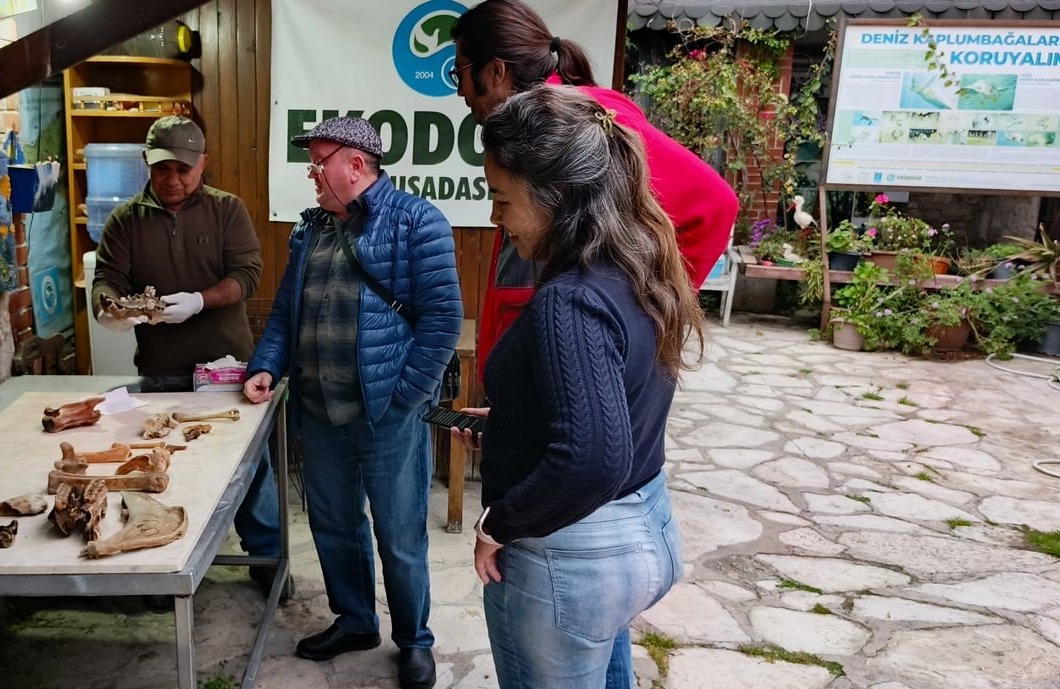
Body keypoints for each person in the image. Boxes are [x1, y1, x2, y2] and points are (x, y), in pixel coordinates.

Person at [453, 86, 699, 689]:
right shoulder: (636, 263)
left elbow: (592, 460)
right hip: (645, 529)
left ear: (555, 197)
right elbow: (615, 398)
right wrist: (516, 417)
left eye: (502, 199)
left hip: (575, 557)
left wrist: (500, 524)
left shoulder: (571, 299)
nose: (495, 217)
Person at [242, 117, 462, 689]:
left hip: (386, 412)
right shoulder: (311, 229)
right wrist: (266, 364)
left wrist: (407, 397)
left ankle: (414, 640)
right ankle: (356, 620)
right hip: (319, 411)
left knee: (399, 534)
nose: (312, 175)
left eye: (319, 163)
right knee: (335, 524)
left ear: (356, 166)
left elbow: (441, 322)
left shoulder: (419, 222)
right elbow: (287, 313)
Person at [450, 0, 738, 377]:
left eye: (461, 75)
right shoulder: (533, 129)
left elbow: (716, 202)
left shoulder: (583, 120)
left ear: (497, 70)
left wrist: (649, 310)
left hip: (564, 365)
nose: (460, 93)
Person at [91, 115, 284, 593]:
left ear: (203, 164)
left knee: (250, 469)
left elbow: (247, 275)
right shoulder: (125, 221)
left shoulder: (227, 211)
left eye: (183, 169)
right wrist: (109, 309)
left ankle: (265, 560)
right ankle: (161, 558)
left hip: (227, 368)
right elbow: (107, 278)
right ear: (147, 164)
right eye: (162, 169)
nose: (173, 180)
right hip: (160, 369)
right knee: (161, 466)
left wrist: (199, 300)